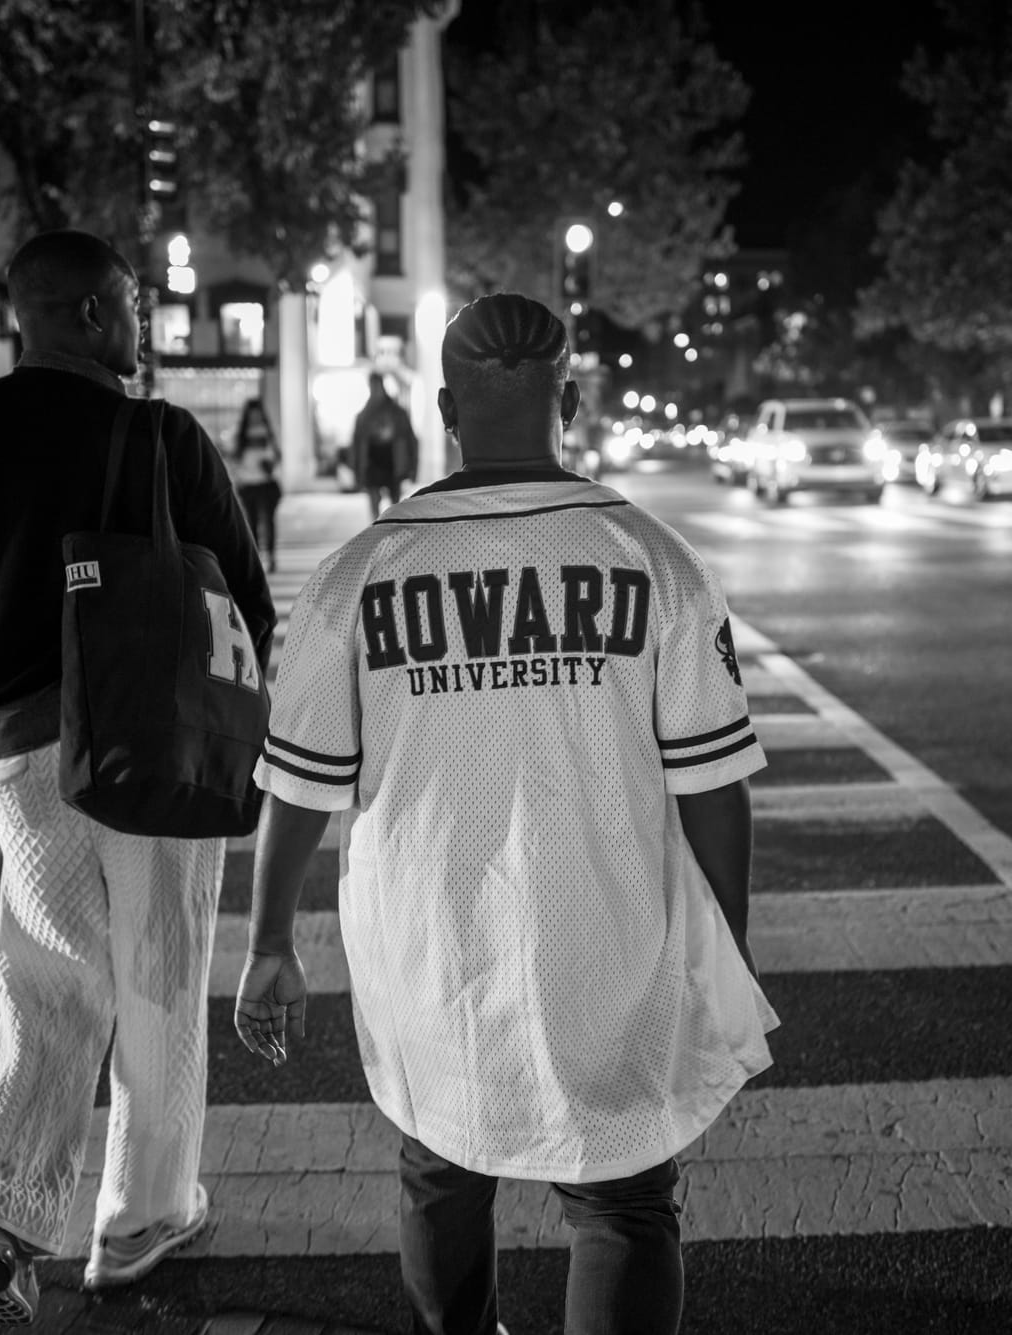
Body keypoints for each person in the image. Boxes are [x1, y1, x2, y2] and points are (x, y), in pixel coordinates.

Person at [235, 293, 775, 1335]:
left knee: (440, 1167)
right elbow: (713, 784)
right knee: (621, 1199)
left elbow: (296, 784)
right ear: (567, 400)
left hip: (426, 943)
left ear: (442, 408)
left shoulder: (357, 575)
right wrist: (730, 951)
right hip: (610, 940)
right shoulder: (653, 562)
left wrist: (268, 943)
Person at [0, 229, 275, 1326]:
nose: (142, 326)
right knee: (159, 969)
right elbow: (243, 606)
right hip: (148, 738)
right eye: (131, 305)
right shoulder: (157, 437)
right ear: (89, 315)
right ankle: (137, 1220)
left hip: (16, 741)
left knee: (46, 973)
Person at [351, 370, 418, 518]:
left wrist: (413, 467)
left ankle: (390, 528)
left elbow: (410, 440)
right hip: (373, 464)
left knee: (394, 504)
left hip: (392, 463)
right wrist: (357, 471)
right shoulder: (364, 415)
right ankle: (377, 529)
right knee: (375, 502)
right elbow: (357, 445)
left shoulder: (396, 413)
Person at [231, 397, 282, 572]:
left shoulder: (267, 433)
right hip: (248, 484)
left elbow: (276, 457)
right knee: (252, 522)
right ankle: (256, 558)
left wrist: (269, 463)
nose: (255, 418)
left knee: (268, 521)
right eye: (252, 415)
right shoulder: (242, 436)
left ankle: (271, 556)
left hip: (265, 484)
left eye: (257, 415)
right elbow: (236, 460)